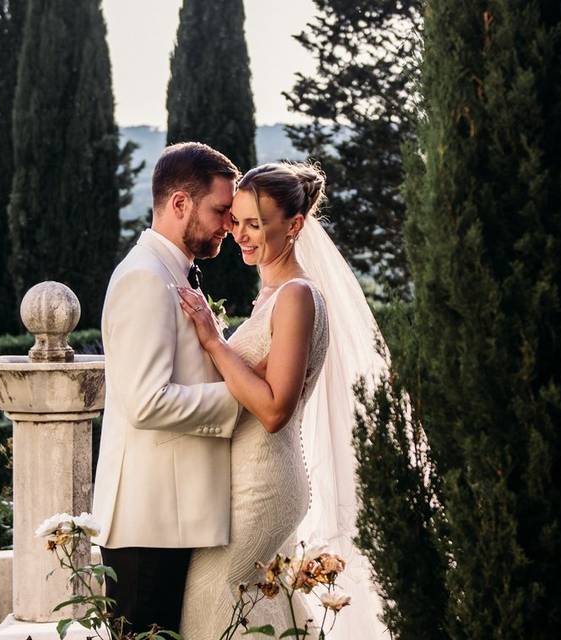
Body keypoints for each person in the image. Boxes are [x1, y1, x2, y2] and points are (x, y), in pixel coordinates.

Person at [177, 162, 389, 639]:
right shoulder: (272, 295)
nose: (241, 235)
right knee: (251, 602)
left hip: (265, 481)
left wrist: (214, 341)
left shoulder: (297, 296)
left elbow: (274, 410)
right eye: (237, 220)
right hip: (244, 477)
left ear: (294, 225)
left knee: (212, 596)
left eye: (257, 224)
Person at [90, 142, 244, 634]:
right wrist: (242, 398)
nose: (228, 224)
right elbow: (144, 401)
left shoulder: (173, 273)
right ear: (180, 204)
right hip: (147, 520)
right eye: (220, 211)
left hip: (168, 517)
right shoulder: (145, 279)